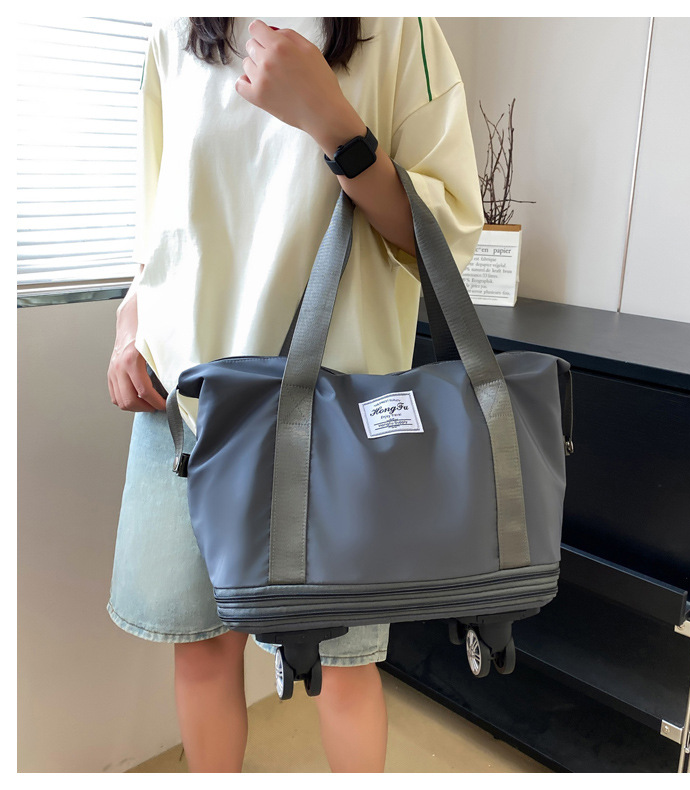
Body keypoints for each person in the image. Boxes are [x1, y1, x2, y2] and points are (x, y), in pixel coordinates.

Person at [106, 16, 483, 773]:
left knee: (343, 665)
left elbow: (445, 240)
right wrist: (129, 320)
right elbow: (160, 218)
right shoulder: (175, 28)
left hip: (336, 418)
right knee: (201, 649)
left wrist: (334, 124)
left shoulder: (396, 26)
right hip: (186, 402)